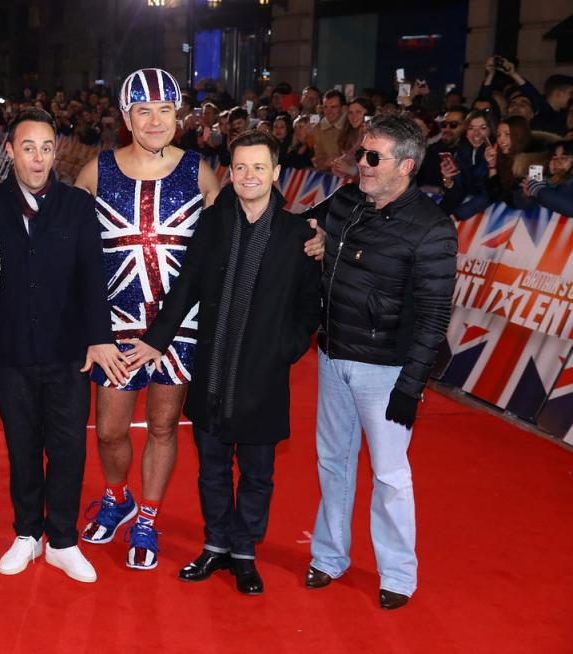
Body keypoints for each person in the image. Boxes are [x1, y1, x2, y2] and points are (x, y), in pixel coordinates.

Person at [124, 131, 321, 596]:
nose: (248, 176)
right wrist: (156, 340)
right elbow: (188, 283)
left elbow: (309, 309)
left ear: (276, 173)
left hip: (263, 377)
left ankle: (245, 553)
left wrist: (284, 350)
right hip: (212, 369)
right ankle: (215, 546)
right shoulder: (213, 223)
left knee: (257, 474)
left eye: (258, 168)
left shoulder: (299, 235)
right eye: (240, 168)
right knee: (211, 469)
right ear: (229, 173)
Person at [303, 114, 457, 610]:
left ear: (406, 166)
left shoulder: (432, 228)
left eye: (373, 158)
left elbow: (434, 317)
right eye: (360, 154)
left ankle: (398, 574)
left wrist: (410, 387)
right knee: (332, 463)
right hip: (332, 355)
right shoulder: (346, 201)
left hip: (386, 370)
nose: (361, 165)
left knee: (390, 475)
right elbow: (299, 225)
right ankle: (328, 557)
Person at [73, 68, 220, 571]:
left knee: (162, 425)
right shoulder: (96, 170)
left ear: (177, 114)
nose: (155, 121)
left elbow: (232, 241)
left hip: (179, 327)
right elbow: (68, 249)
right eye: (143, 110)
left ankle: (148, 518)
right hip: (113, 326)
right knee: (110, 430)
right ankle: (119, 497)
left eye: (164, 110)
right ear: (126, 116)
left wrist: (307, 234)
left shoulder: (201, 171)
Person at [0, 108, 125, 584]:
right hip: (9, 350)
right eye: (28, 147)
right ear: (10, 152)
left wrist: (99, 337)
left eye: (47, 147)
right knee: (23, 445)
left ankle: (62, 539)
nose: (39, 157)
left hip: (68, 351)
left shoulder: (78, 206)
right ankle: (27, 533)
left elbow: (92, 276)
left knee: (67, 448)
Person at [440, 109, 497, 219]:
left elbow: (489, 194)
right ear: (466, 132)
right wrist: (447, 180)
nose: (476, 133)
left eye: (483, 128)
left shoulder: (497, 153)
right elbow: (457, 190)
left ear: (490, 130)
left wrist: (456, 215)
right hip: (465, 211)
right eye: (471, 128)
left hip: (489, 215)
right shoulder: (461, 152)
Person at [518, 140, 573, 215]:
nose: (557, 162)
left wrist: (538, 189)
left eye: (563, 158)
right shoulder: (547, 182)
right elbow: (520, 205)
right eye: (553, 158)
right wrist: (527, 195)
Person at [417, 107, 466, 188]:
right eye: (444, 124)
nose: (447, 129)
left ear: (465, 126)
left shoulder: (467, 154)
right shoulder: (432, 149)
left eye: (453, 125)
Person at [313, 89, 348, 172]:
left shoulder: (351, 126)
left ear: (343, 108)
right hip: (329, 175)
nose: (328, 111)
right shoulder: (318, 128)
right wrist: (326, 163)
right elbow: (318, 159)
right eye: (325, 107)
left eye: (333, 107)